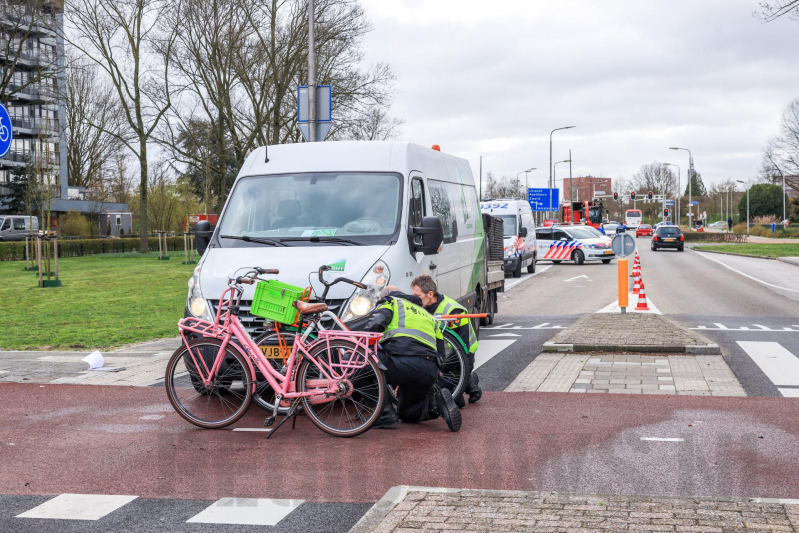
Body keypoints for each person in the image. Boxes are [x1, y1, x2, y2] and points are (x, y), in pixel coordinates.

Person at [363, 285, 462, 432]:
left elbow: (373, 327)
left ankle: (383, 414)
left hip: (402, 362)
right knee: (407, 413)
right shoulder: (427, 315)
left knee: (357, 361)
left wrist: (358, 348)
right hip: (429, 370)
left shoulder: (390, 302)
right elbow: (441, 351)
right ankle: (435, 405)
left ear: (383, 296)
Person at [410, 275, 482, 407]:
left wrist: (442, 369)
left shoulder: (453, 311)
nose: (414, 299)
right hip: (438, 359)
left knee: (445, 398)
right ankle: (466, 381)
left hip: (460, 359)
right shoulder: (419, 308)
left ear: (430, 294)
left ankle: (468, 379)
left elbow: (462, 347)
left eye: (417, 296)